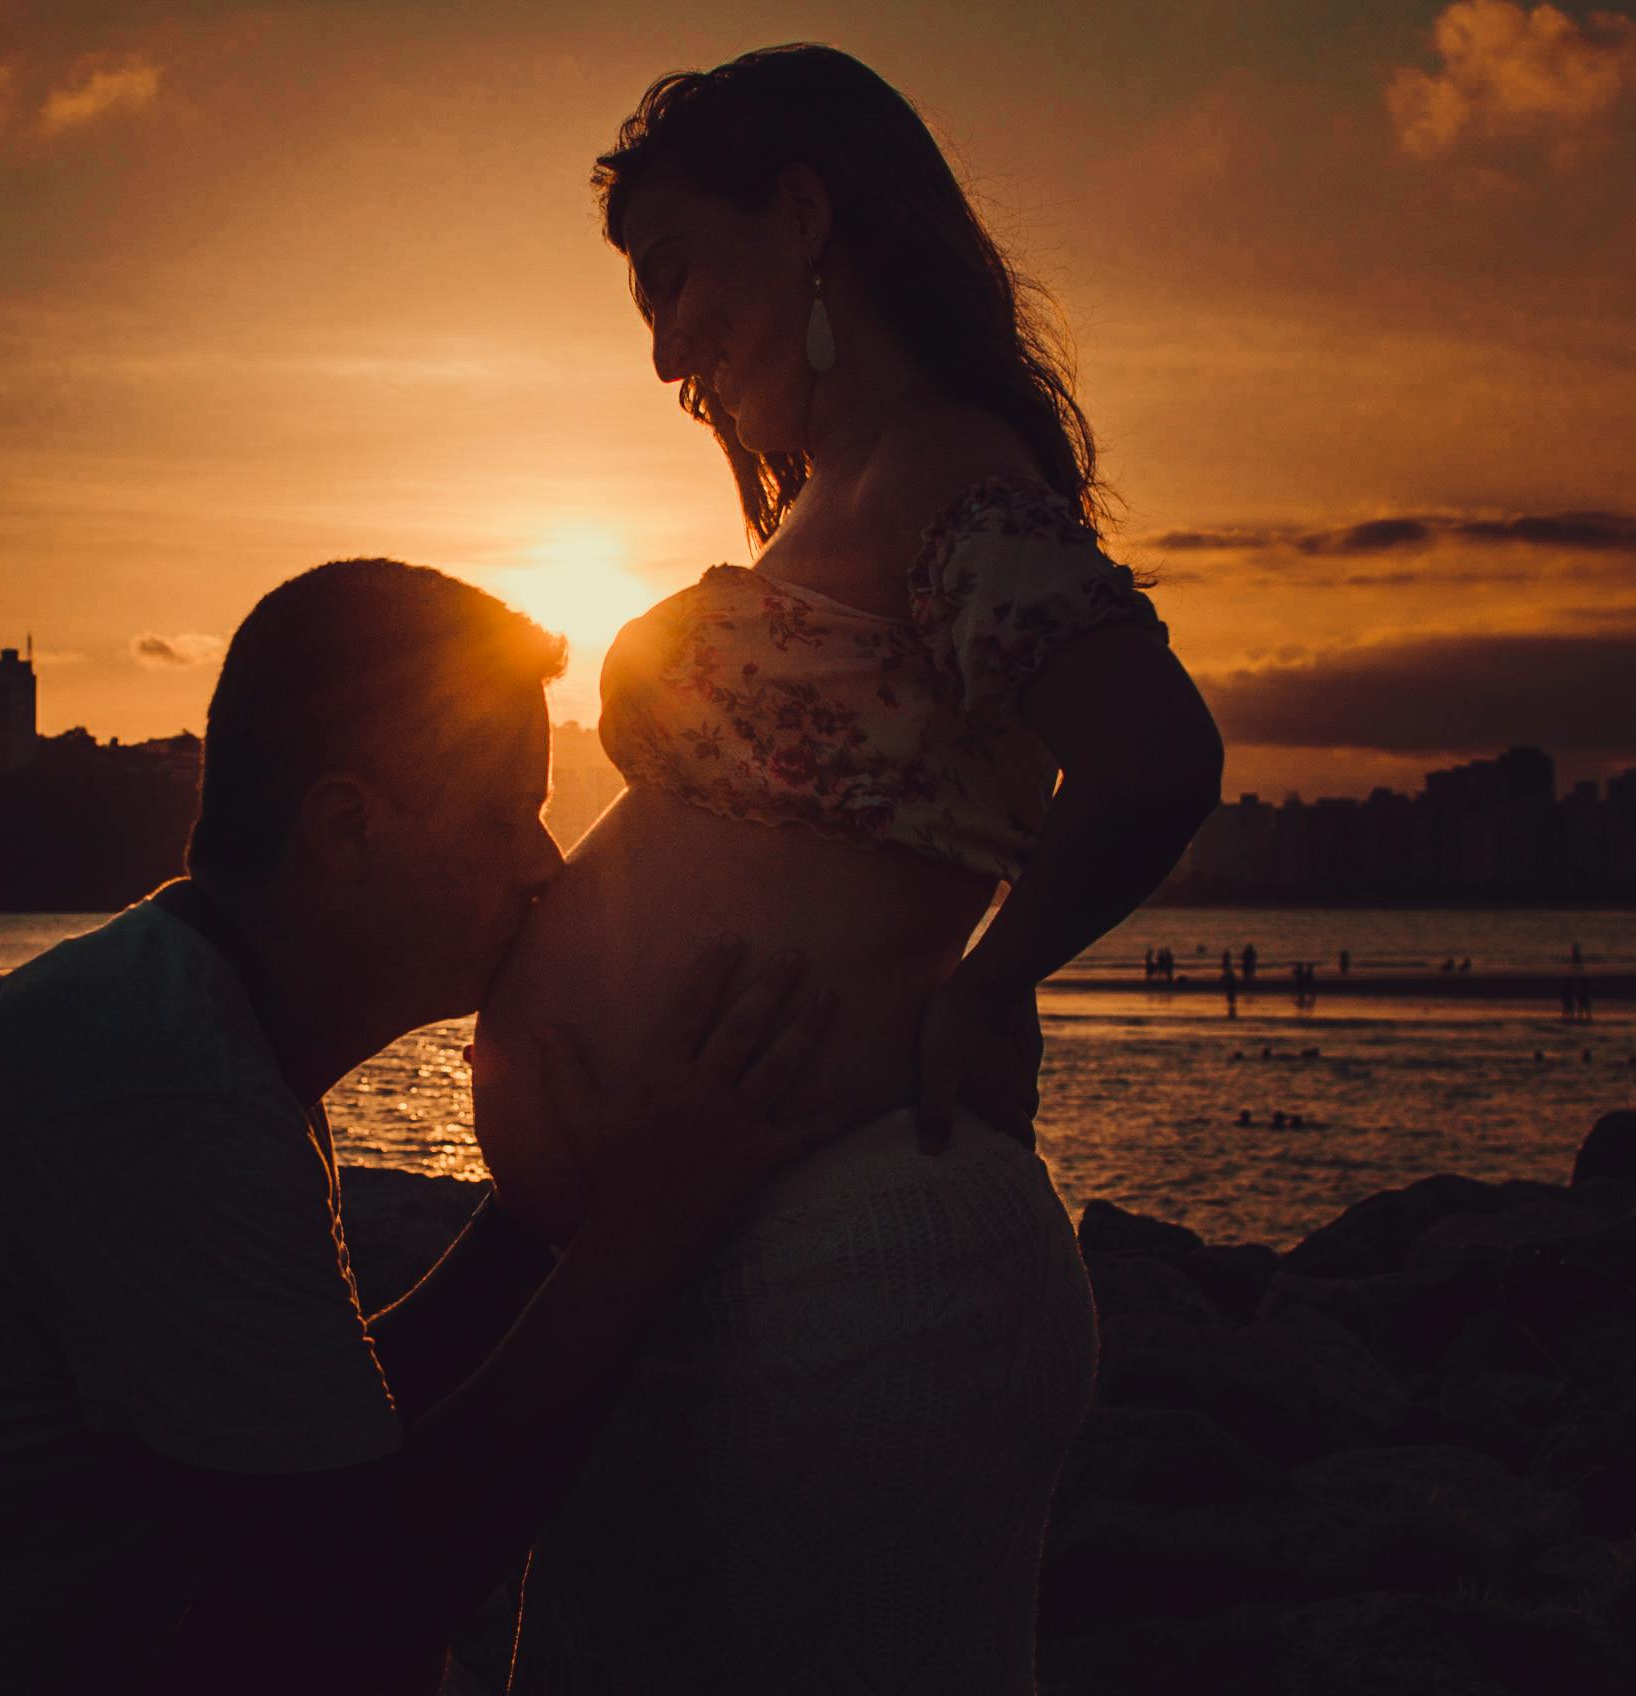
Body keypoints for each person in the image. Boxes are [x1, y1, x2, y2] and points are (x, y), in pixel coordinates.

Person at [0, 560, 854, 1696]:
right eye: (508, 816)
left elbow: (318, 1437)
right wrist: (650, 1223)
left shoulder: (180, 1027)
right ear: (346, 830)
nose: (544, 868)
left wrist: (548, 1219)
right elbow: (357, 1607)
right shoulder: (154, 1089)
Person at [470, 45, 1222, 1692]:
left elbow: (1157, 754)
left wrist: (991, 985)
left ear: (804, 213)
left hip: (864, 1272)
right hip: (689, 1261)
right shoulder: (841, 504)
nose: (666, 346)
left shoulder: (946, 471)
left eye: (678, 274)